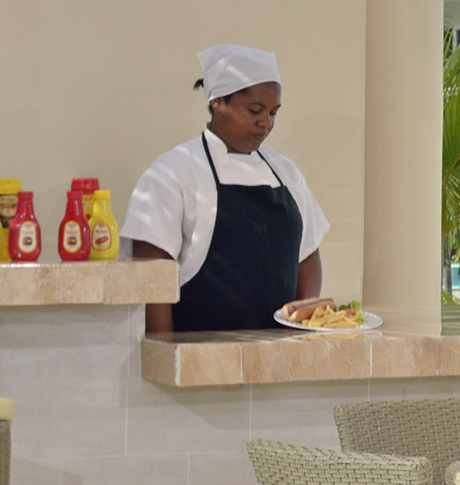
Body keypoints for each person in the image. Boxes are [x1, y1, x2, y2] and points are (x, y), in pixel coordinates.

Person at [122, 43, 329, 335]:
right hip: (198, 351)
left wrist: (300, 330)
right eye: (255, 110)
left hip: (280, 351)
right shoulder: (172, 172)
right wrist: (163, 349)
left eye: (273, 113)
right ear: (218, 101)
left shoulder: (286, 172)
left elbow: (307, 255)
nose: (266, 123)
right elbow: (151, 275)